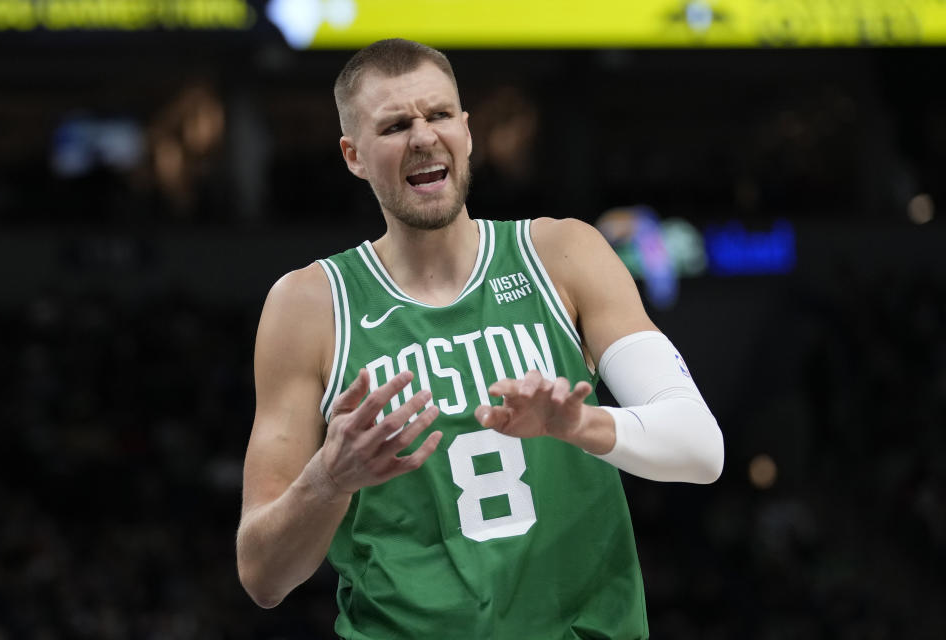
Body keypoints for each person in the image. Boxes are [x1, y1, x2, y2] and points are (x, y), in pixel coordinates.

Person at [236, 39, 724, 639]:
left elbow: (702, 449)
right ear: (353, 155)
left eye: (438, 115)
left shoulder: (563, 253)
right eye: (393, 125)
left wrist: (579, 427)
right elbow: (262, 576)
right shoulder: (306, 305)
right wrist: (327, 480)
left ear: (466, 130)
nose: (422, 137)